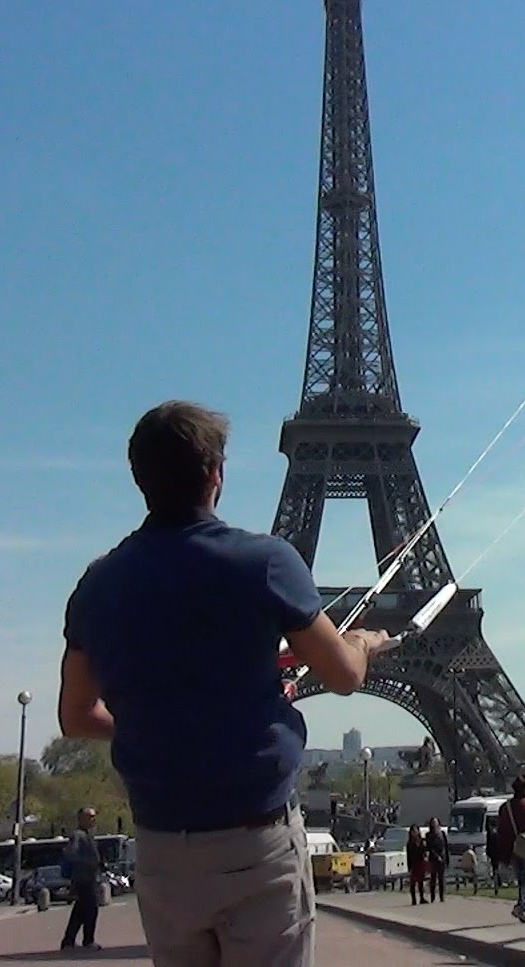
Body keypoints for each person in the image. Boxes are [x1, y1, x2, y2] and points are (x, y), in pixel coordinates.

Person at [58, 401, 392, 967]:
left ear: (140, 478)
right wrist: (365, 642)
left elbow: (75, 716)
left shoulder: (97, 585)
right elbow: (343, 675)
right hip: (255, 843)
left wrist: (162, 723)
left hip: (163, 850)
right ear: (216, 473)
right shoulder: (265, 563)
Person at [493, 775, 525, 923]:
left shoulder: (505, 808)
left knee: (523, 881)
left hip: (514, 849)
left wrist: (503, 855)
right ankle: (522, 907)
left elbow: (501, 832)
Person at [60, 808, 102, 951]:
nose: (93, 819)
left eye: (94, 816)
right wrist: (89, 862)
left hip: (88, 878)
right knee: (91, 909)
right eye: (90, 817)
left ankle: (68, 941)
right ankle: (88, 941)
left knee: (80, 911)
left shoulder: (87, 835)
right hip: (84, 879)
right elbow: (71, 854)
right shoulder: (78, 835)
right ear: (81, 818)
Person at [424, 819, 448, 902]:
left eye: (436, 822)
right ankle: (433, 897)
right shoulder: (428, 835)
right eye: (433, 822)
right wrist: (437, 856)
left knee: (441, 878)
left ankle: (442, 896)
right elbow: (429, 848)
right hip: (433, 858)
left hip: (442, 857)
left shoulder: (442, 834)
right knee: (433, 878)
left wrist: (446, 859)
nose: (435, 824)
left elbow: (446, 846)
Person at [405, 827, 427, 906]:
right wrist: (409, 867)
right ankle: (413, 899)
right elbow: (408, 856)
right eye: (412, 831)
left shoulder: (421, 841)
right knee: (413, 883)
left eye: (415, 831)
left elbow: (424, 852)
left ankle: (422, 898)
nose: (414, 833)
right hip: (414, 863)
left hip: (420, 862)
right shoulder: (409, 843)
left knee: (421, 881)